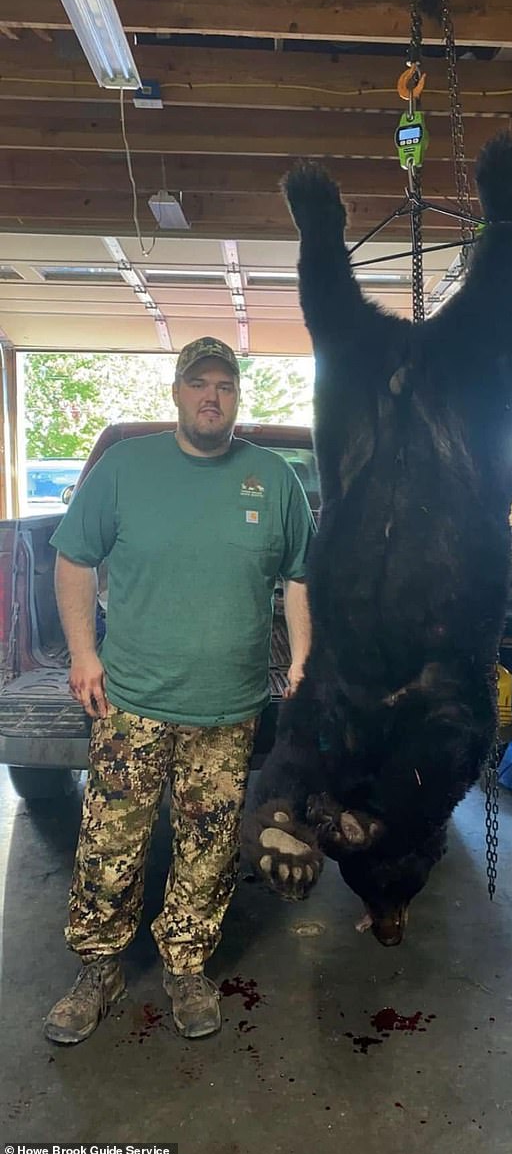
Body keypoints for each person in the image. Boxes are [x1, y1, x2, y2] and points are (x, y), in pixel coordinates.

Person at [44, 337, 314, 1044]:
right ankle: (98, 968)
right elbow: (73, 559)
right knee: (110, 844)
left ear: (236, 398)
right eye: (200, 383)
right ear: (176, 391)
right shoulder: (126, 470)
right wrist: (81, 653)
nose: (212, 397)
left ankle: (187, 965)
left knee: (209, 845)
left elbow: (301, 575)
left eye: (225, 385)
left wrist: (306, 655)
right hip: (131, 701)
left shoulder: (273, 478)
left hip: (227, 711)